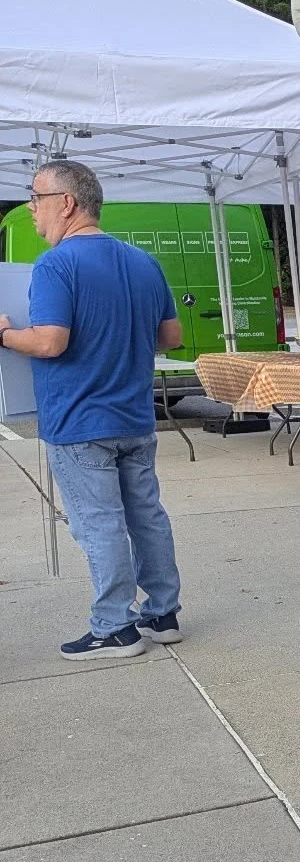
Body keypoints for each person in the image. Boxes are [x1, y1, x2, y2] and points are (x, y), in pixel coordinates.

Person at [0, 160, 186, 659]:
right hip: (134, 417)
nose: (31, 208)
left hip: (80, 421)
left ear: (67, 203)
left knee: (98, 522)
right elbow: (172, 336)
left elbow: (51, 342)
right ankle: (163, 613)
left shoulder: (57, 264)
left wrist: (5, 334)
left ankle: (114, 627)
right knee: (146, 516)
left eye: (36, 197)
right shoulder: (143, 261)